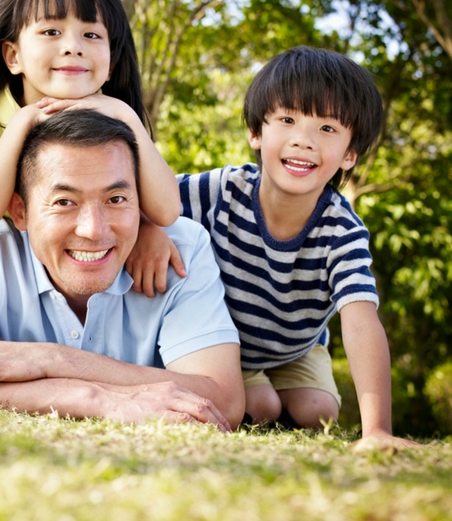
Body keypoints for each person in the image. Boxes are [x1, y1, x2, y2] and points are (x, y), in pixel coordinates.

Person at [0, 109, 244, 429]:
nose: (94, 230)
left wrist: (51, 360)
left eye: (116, 199)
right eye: (64, 202)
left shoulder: (180, 249)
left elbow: (224, 400)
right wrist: (94, 399)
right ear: (19, 211)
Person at [172, 46, 416, 445]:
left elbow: (359, 318)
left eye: (327, 129)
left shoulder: (342, 230)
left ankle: (291, 393)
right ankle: (260, 392)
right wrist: (150, 230)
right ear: (256, 132)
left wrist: (377, 431)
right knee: (260, 407)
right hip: (226, 345)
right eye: (287, 120)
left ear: (349, 154)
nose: (303, 141)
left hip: (295, 348)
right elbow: (149, 200)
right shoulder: (221, 190)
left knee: (317, 413)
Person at [0, 0, 182, 256]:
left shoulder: (115, 116)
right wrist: (24, 120)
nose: (73, 46)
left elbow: (167, 211)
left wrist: (126, 116)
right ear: (13, 56)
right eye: (51, 31)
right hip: (9, 258)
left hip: (89, 249)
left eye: (92, 35)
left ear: (111, 65)